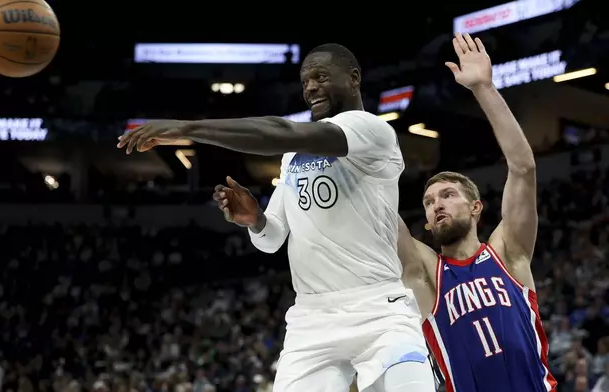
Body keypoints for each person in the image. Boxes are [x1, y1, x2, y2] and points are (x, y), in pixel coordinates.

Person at [118, 44, 434, 392]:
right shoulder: (293, 157)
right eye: (304, 81)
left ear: (354, 79)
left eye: (321, 77)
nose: (310, 87)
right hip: (312, 319)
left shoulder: (372, 131)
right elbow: (272, 240)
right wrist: (255, 220)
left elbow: (283, 131)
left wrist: (188, 128)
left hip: (379, 309)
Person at [397, 33, 557, 392]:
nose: (436, 203)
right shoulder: (426, 274)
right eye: (428, 201)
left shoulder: (508, 253)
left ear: (475, 207)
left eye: (447, 195)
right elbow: (378, 217)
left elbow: (523, 169)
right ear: (425, 220)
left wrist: (484, 88)